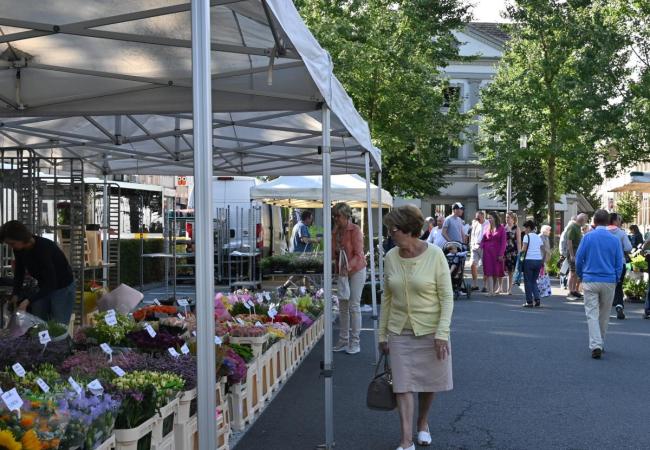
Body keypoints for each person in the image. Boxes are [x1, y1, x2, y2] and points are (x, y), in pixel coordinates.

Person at [378, 205, 453, 450]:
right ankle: (406, 440)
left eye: (394, 229)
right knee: (403, 384)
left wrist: (442, 333)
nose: (390, 234)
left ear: (409, 229)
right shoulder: (390, 257)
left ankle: (423, 423)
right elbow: (387, 298)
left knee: (429, 381)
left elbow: (446, 297)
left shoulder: (435, 255)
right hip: (399, 330)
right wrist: (382, 333)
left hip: (431, 329)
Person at [0, 220, 75, 323]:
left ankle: (59, 339)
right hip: (44, 287)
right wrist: (16, 293)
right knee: (38, 323)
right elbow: (19, 271)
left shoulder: (43, 248)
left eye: (12, 243)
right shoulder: (19, 249)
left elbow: (51, 283)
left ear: (21, 238)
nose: (11, 246)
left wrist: (28, 301)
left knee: (58, 326)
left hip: (62, 288)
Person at [575, 209, 624, 359]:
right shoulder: (614, 239)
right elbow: (619, 263)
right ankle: (600, 342)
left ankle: (596, 344)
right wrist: (616, 277)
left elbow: (578, 259)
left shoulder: (588, 237)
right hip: (609, 280)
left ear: (594, 222)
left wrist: (581, 274)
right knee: (604, 314)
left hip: (590, 279)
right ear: (608, 221)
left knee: (592, 314)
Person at [332, 203, 366, 355]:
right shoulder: (336, 231)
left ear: (345, 215)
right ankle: (343, 340)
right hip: (343, 270)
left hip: (356, 269)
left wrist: (348, 268)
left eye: (337, 216)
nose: (335, 219)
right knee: (343, 306)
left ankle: (355, 342)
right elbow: (333, 253)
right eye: (334, 216)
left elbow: (359, 254)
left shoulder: (355, 230)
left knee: (353, 305)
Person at [608, 213, 632, 320]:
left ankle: (604, 308)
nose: (620, 222)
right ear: (614, 221)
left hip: (605, 263)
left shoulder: (602, 232)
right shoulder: (621, 233)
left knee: (606, 286)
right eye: (619, 220)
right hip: (619, 263)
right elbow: (628, 248)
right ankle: (619, 306)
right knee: (618, 286)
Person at [480, 212, 506, 296]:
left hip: (497, 253)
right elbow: (483, 239)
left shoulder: (501, 228)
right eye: (488, 218)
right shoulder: (487, 228)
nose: (489, 220)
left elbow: (503, 242)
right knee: (489, 272)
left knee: (495, 272)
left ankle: (493, 290)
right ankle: (490, 291)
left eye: (490, 218)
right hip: (487, 253)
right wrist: (481, 245)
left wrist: (501, 254)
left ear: (495, 218)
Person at [521, 220, 544, 307]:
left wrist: (519, 255)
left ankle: (529, 301)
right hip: (538, 260)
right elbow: (543, 249)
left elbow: (524, 249)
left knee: (527, 281)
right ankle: (537, 299)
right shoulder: (538, 237)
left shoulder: (527, 237)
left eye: (525, 228)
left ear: (529, 228)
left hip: (529, 260)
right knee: (534, 280)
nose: (524, 230)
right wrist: (542, 259)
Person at [566, 213, 588, 300]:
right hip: (573, 252)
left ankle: (574, 290)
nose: (586, 222)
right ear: (582, 220)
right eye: (585, 220)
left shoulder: (578, 227)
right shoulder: (572, 227)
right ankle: (571, 291)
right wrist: (571, 255)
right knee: (572, 272)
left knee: (576, 272)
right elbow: (569, 241)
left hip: (577, 252)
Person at [469, 211, 488, 291]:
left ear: (483, 216)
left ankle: (485, 285)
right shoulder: (475, 223)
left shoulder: (488, 223)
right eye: (476, 217)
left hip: (484, 247)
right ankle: (475, 284)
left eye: (478, 217)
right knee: (472, 264)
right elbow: (472, 234)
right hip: (475, 246)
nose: (477, 219)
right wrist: (471, 245)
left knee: (485, 266)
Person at [503, 212, 522, 295]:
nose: (507, 219)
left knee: (510, 271)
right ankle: (500, 287)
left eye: (508, 217)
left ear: (513, 219)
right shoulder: (504, 228)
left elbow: (518, 242)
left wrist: (519, 253)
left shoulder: (516, 228)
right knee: (503, 270)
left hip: (513, 252)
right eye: (506, 217)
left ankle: (509, 289)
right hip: (504, 251)